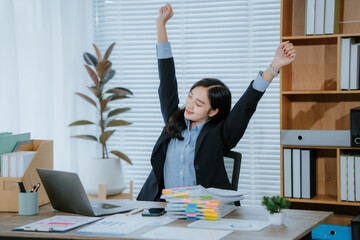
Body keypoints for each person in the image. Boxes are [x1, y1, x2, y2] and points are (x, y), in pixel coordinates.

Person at [137, 3, 296, 201]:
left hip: (206, 212)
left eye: (200, 103)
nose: (190, 104)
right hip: (163, 209)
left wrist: (274, 66)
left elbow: (246, 105)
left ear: (213, 111)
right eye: (190, 96)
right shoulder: (174, 120)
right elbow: (166, 78)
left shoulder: (220, 133)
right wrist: (161, 24)